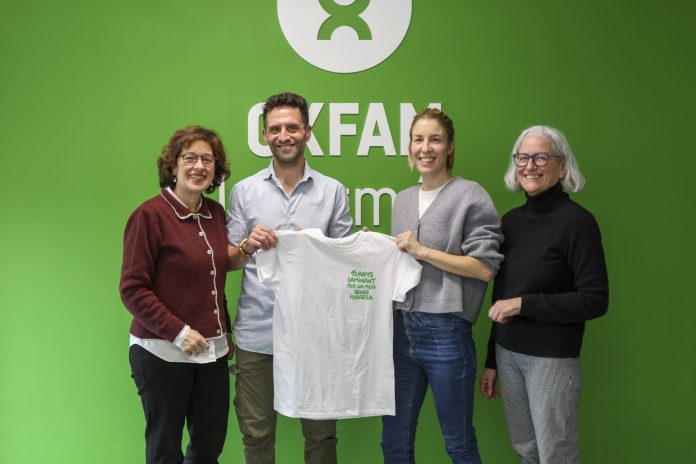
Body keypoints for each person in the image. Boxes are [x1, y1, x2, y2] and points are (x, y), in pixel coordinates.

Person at [226, 92, 353, 464]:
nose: (284, 135)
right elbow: (229, 261)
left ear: (308, 132)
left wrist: (315, 247)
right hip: (257, 334)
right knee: (256, 435)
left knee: (321, 436)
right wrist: (247, 245)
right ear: (264, 135)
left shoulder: (332, 191)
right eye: (276, 129)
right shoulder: (244, 192)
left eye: (292, 127)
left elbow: (346, 266)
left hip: (316, 334)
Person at [480, 126, 609, 464]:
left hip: (550, 359)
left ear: (562, 166)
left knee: (555, 454)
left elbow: (594, 299)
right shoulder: (510, 222)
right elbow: (501, 296)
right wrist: (492, 360)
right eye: (523, 157)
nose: (530, 166)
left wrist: (525, 304)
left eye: (541, 157)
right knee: (527, 450)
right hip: (508, 354)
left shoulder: (578, 223)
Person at [383, 108, 504, 463]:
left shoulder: (470, 195)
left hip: (446, 333)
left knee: (459, 444)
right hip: (400, 331)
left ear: (450, 147)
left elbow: (484, 268)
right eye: (418, 139)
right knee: (394, 443)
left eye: (435, 139)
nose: (425, 148)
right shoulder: (403, 199)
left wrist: (423, 251)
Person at [120, 126, 234, 463]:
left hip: (212, 353)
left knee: (208, 449)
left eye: (207, 160)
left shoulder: (215, 214)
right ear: (173, 165)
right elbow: (132, 289)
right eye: (190, 158)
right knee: (165, 451)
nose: (199, 166)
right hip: (161, 352)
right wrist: (179, 332)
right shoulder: (149, 216)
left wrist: (225, 332)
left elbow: (213, 281)